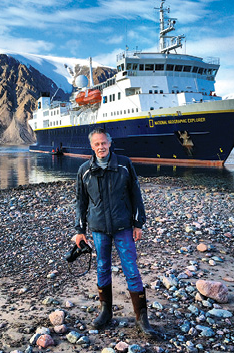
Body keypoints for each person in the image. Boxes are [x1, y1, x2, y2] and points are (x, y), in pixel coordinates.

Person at [75, 127, 156, 337]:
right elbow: (81, 202)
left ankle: (141, 318)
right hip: (98, 228)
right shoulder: (84, 169)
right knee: (102, 267)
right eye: (96, 144)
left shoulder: (124, 164)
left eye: (103, 143)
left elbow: (135, 194)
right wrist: (79, 230)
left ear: (110, 143)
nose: (101, 147)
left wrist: (139, 223)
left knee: (131, 268)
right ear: (91, 147)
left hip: (123, 227)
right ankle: (105, 312)